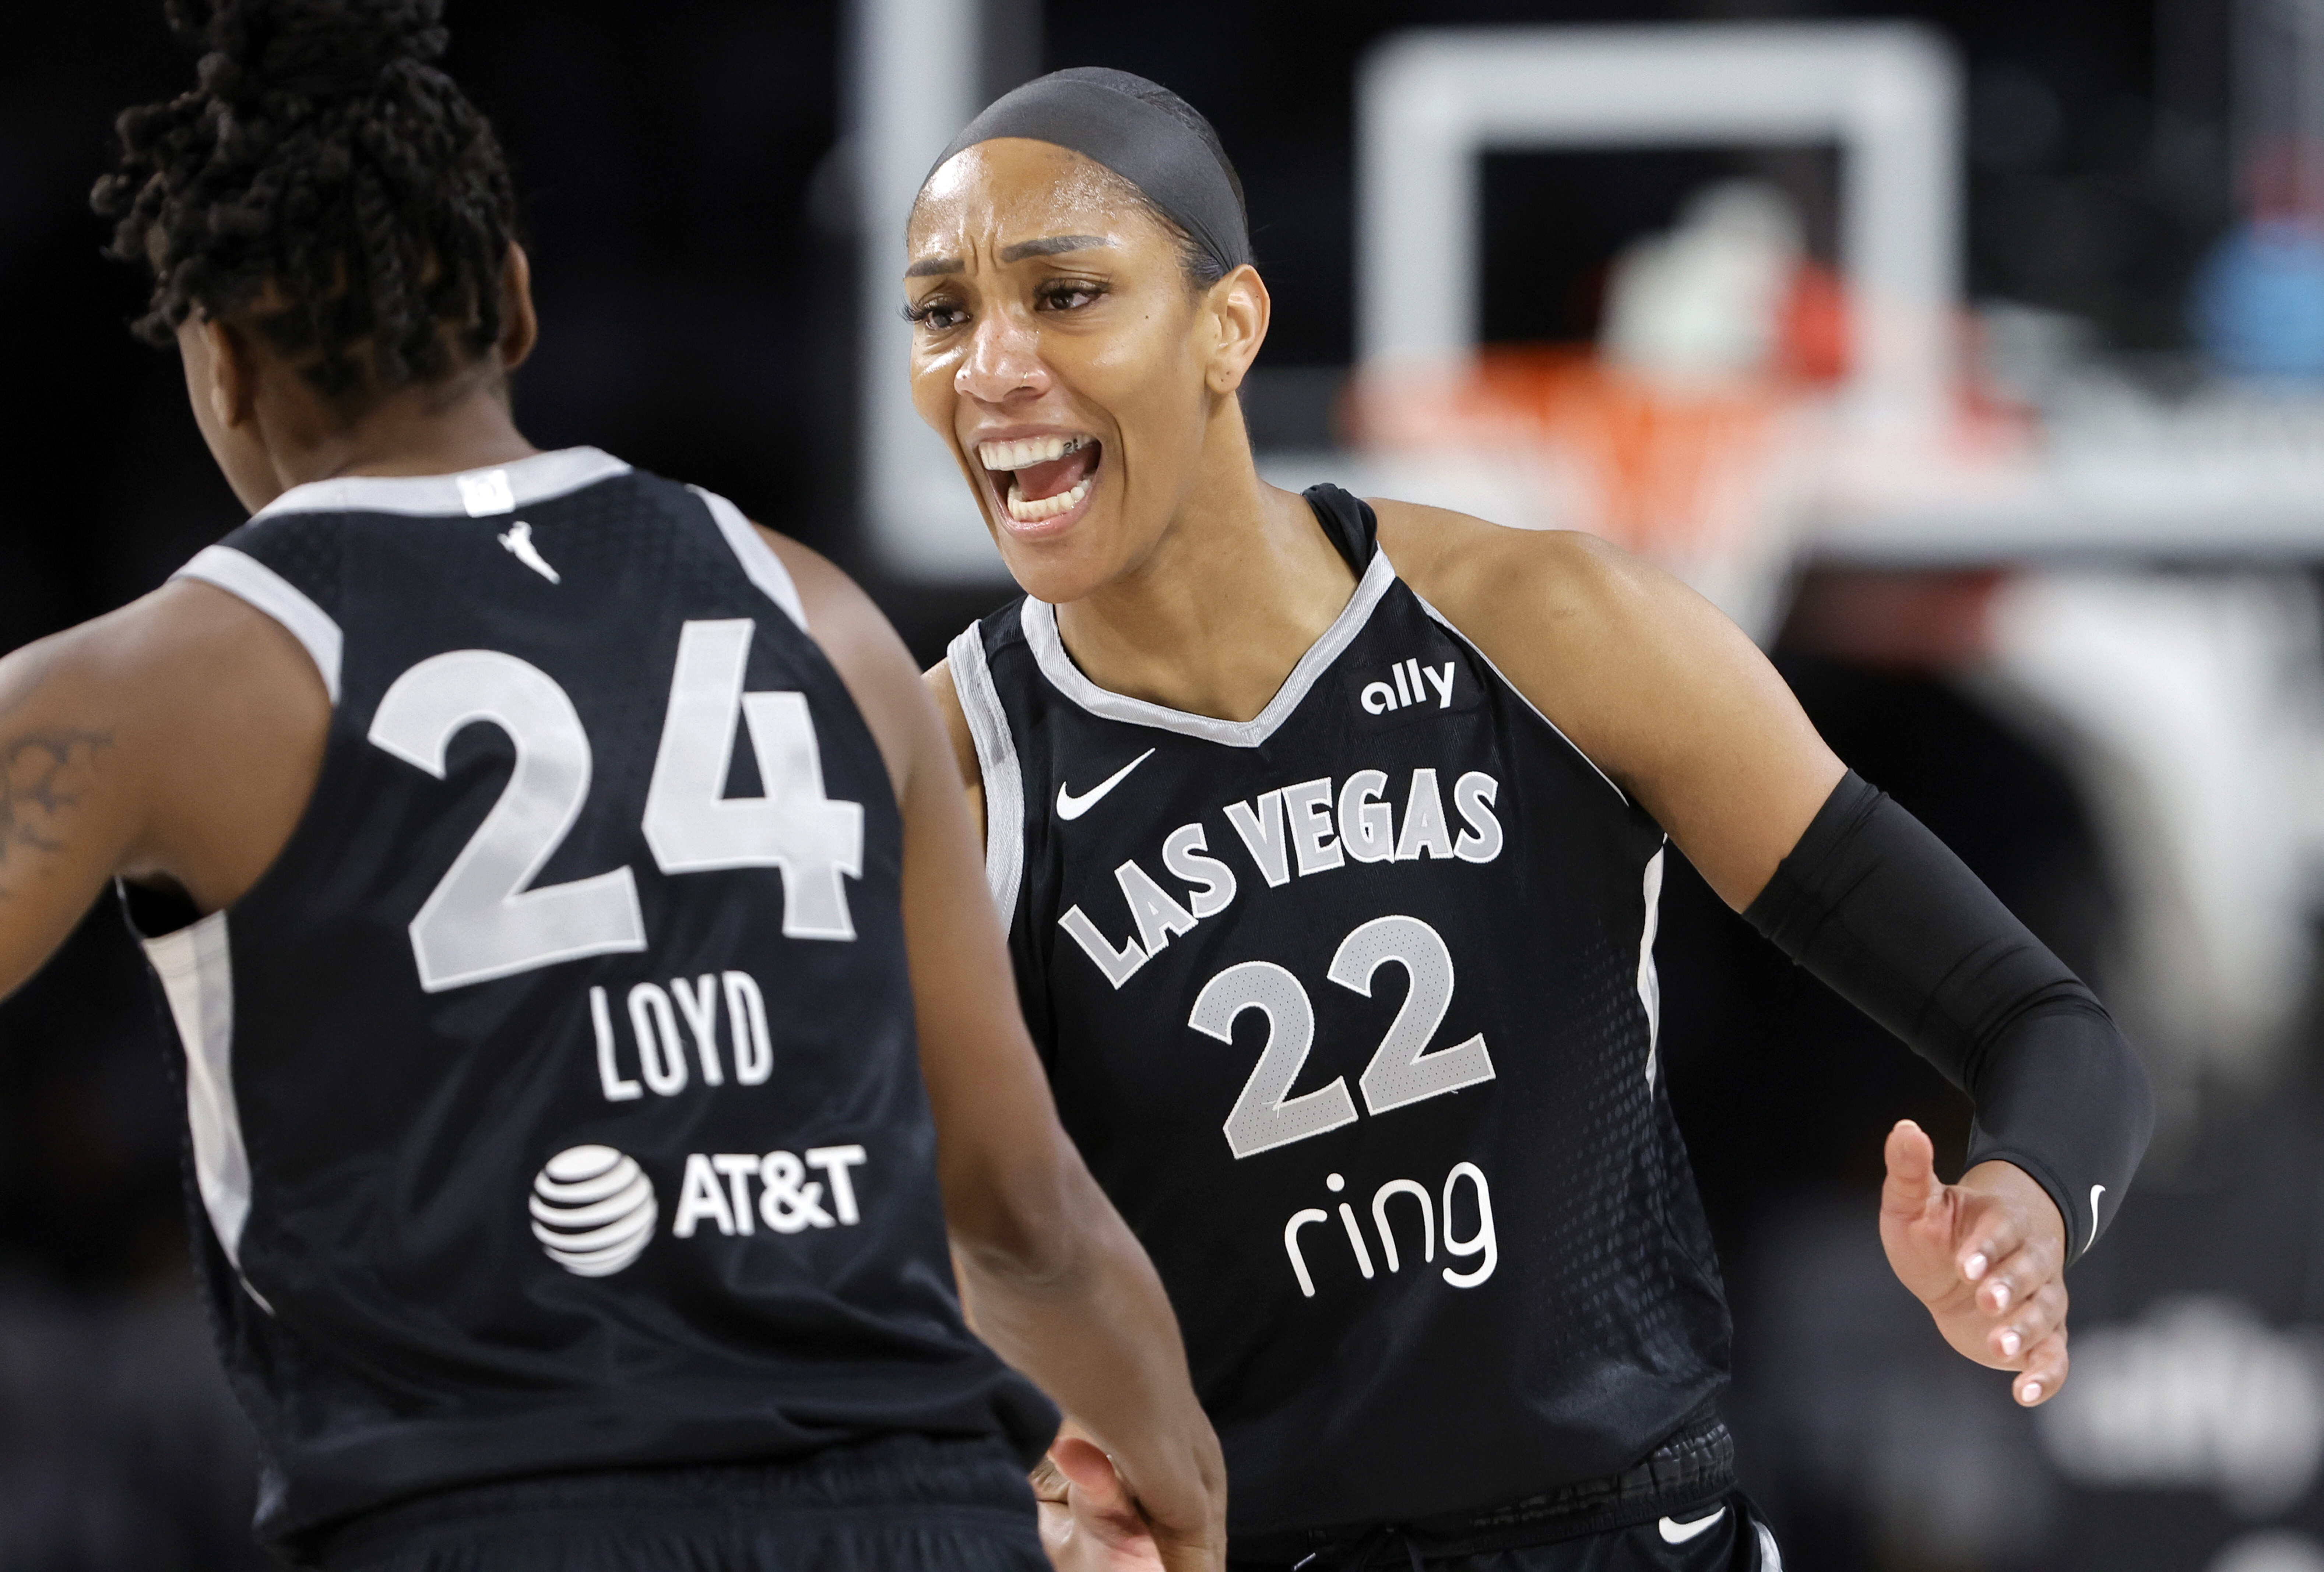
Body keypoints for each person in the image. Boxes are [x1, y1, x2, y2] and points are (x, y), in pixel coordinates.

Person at [0, 9, 1227, 1570]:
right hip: (908, 1515)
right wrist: (1182, 1484)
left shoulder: (149, 682)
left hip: (497, 1519)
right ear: (515, 307)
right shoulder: (821, 618)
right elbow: (1024, 1211)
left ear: (221, 367)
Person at [908, 68, 2154, 1570]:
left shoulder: (1553, 631)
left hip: (1641, 1533)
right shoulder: (943, 776)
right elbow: (859, 1266)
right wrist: (1038, 1483)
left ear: (1228, 325)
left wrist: (2020, 1202)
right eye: (941, 314)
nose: (990, 368)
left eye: (1064, 295)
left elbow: (2040, 1021)